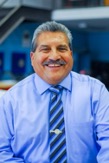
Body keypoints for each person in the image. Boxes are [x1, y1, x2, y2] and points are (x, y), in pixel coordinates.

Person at [0, 21, 109, 163]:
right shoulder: (11, 99)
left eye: (61, 49)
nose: (54, 56)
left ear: (70, 54)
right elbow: (2, 152)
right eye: (45, 49)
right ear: (32, 58)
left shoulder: (96, 92)